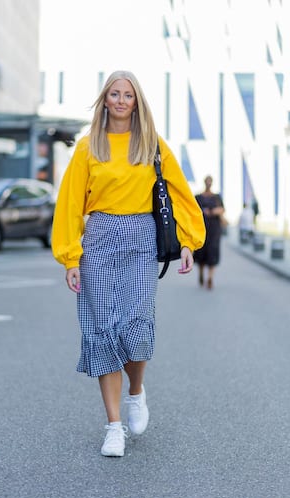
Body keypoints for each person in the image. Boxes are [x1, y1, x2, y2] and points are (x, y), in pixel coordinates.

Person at [51, 70, 205, 457]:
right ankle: (113, 426)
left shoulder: (151, 144)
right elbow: (70, 203)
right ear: (105, 100)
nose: (121, 100)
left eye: (128, 95)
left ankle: (137, 392)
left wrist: (188, 241)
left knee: (137, 323)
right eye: (114, 94)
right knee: (102, 329)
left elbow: (179, 194)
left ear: (137, 102)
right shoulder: (88, 147)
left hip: (140, 237)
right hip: (99, 238)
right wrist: (70, 257)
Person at [194, 175, 225, 290]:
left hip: (214, 230)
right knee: (201, 253)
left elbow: (221, 209)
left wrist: (211, 212)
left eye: (210, 181)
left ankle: (210, 278)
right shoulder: (198, 197)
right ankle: (202, 273)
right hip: (201, 229)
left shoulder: (216, 197)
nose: (208, 183)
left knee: (212, 253)